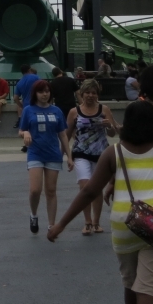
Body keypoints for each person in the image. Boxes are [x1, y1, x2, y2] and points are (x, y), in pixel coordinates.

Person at [47, 101, 153, 304]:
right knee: (148, 289)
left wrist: (61, 224)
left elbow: (89, 192)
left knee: (131, 284)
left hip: (125, 225)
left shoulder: (114, 152)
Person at [19, 79, 73, 234]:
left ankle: (51, 225)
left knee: (51, 190)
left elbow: (62, 135)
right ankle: (34, 214)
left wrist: (69, 156)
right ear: (35, 93)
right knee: (35, 190)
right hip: (35, 153)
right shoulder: (29, 110)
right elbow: (21, 130)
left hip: (53, 154)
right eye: (41, 91)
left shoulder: (56, 111)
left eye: (47, 91)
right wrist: (26, 132)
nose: (44, 94)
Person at [66, 79, 117, 235]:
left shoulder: (104, 109)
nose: (90, 95)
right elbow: (66, 135)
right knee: (85, 186)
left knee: (97, 188)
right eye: (87, 92)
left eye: (93, 93)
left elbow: (113, 133)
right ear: (81, 94)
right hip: (81, 152)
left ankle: (96, 222)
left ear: (97, 94)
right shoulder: (74, 112)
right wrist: (68, 156)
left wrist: (108, 125)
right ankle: (87, 221)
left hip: (100, 153)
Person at [13, 65, 40, 132]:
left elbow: (15, 98)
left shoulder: (20, 82)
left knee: (30, 125)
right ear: (29, 70)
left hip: (26, 106)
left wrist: (20, 105)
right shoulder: (35, 77)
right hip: (38, 104)